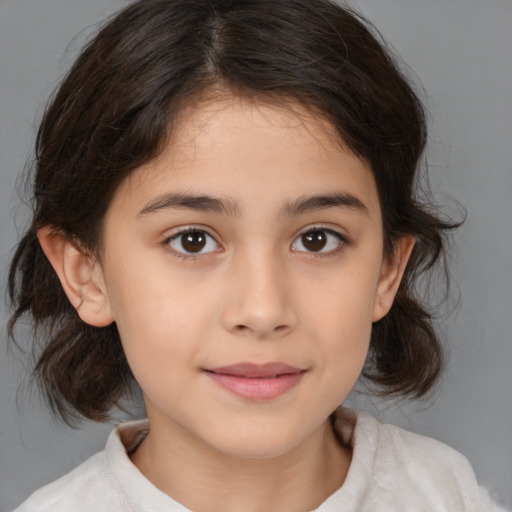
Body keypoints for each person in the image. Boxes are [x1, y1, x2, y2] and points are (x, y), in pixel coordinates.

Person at [7, 0, 505, 510]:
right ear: (86, 273)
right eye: (192, 240)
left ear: (386, 270)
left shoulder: (447, 495)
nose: (263, 311)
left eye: (317, 239)